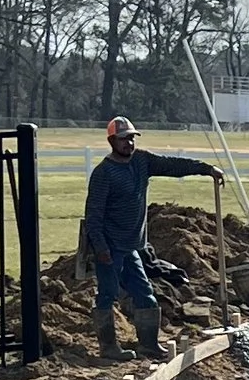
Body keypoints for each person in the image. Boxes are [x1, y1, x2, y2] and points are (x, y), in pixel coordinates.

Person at [80, 114, 221, 361]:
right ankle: (108, 347)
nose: (129, 144)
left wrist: (205, 169)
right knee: (107, 295)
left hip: (132, 247)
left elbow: (172, 165)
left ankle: (148, 345)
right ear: (112, 140)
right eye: (124, 140)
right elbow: (93, 215)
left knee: (145, 293)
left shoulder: (141, 162)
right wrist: (100, 247)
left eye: (132, 139)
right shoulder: (104, 173)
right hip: (111, 247)